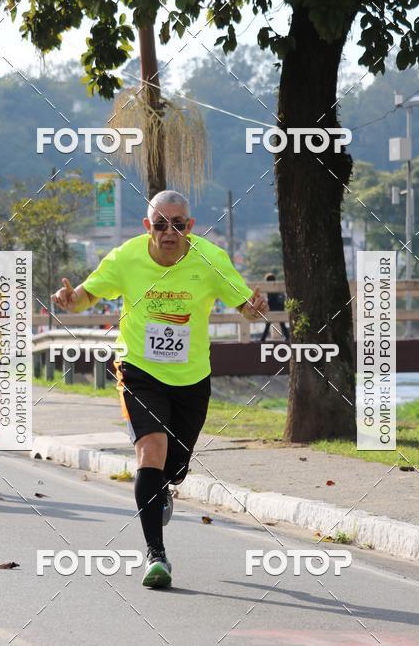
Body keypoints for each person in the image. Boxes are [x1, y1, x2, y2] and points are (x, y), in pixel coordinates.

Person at [52, 190, 268, 589]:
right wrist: (71, 299)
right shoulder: (125, 258)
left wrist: (256, 307)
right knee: (150, 451)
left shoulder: (211, 259)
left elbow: (245, 307)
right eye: (160, 224)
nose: (170, 232)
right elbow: (85, 296)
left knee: (176, 466)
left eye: (178, 224)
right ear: (146, 226)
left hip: (191, 377)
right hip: (139, 370)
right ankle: (156, 555)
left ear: (191, 226)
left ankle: (164, 488)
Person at [259, 272, 290, 343]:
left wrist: (266, 305)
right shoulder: (277, 286)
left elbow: (271, 299)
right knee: (282, 324)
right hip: (280, 307)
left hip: (272, 307)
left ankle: (263, 339)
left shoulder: (270, 288)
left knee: (268, 323)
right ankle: (288, 337)